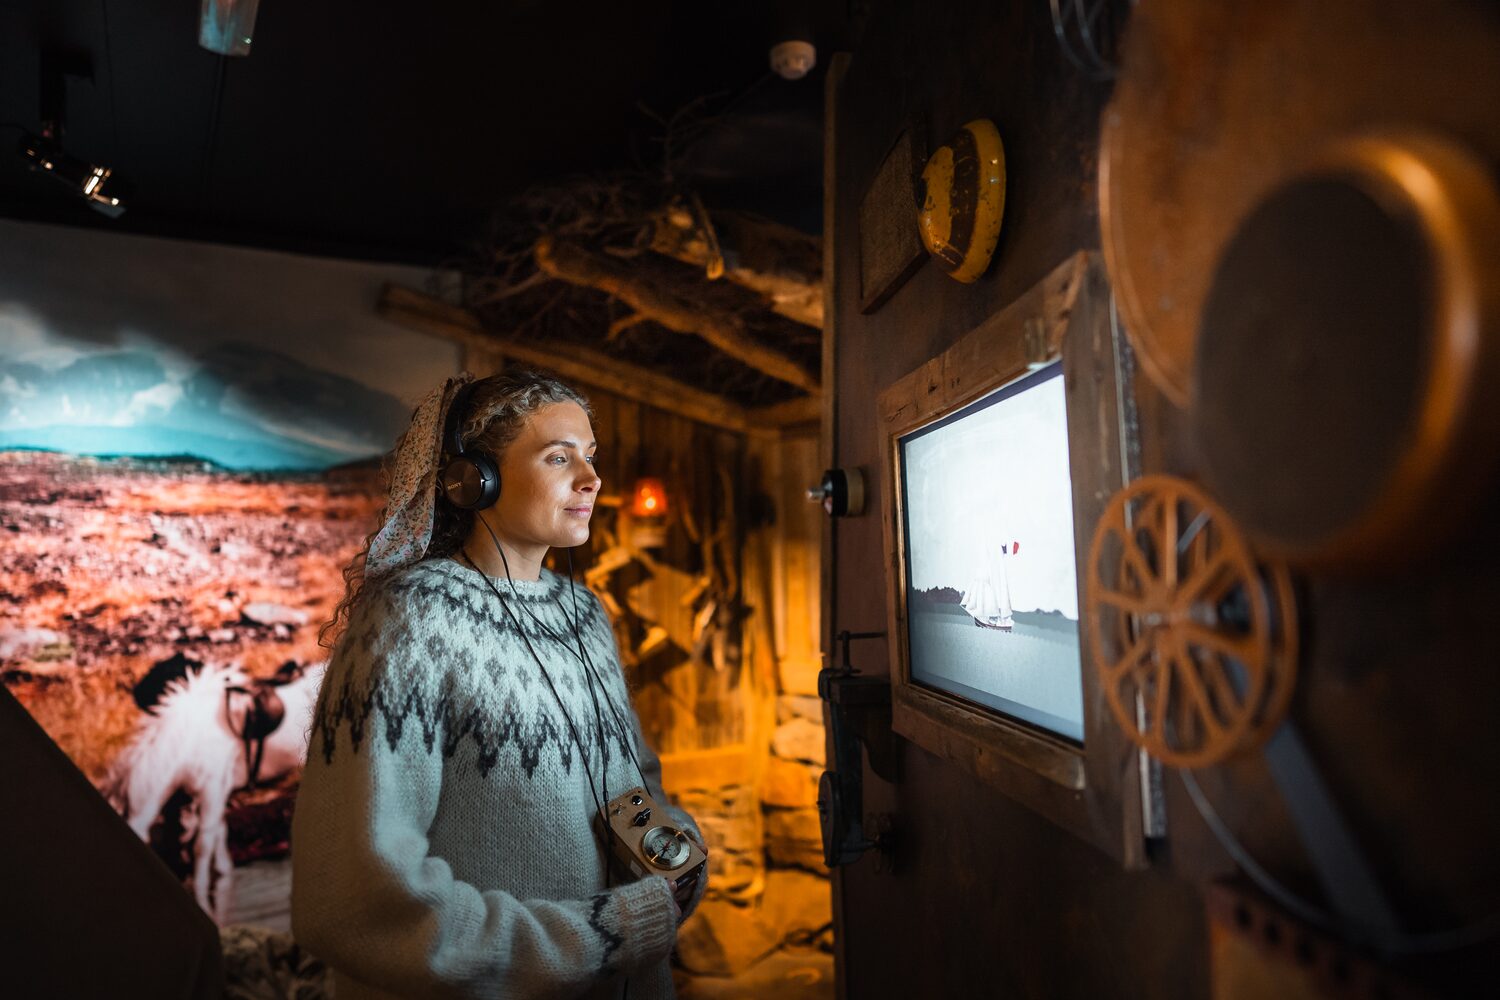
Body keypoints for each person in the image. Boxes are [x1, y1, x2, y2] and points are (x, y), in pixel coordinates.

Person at [292, 370, 707, 1000]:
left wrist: (677, 861)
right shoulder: (411, 619)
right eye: (559, 457)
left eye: (591, 457)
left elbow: (636, 788)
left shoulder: (584, 614)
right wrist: (606, 933)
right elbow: (358, 899)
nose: (592, 479)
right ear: (473, 481)